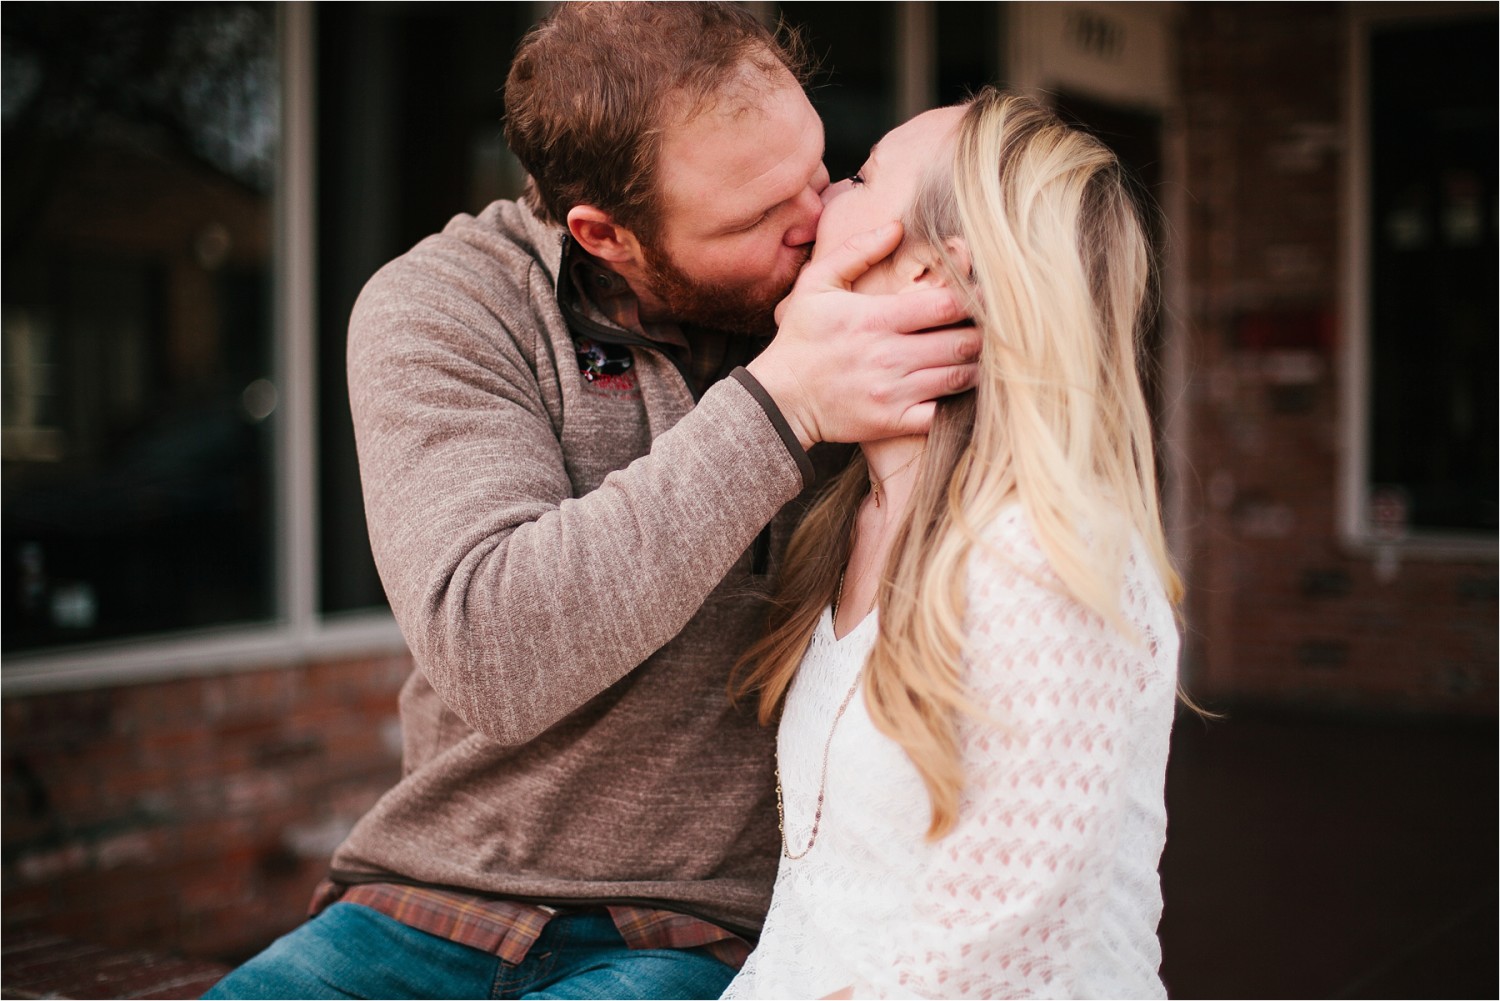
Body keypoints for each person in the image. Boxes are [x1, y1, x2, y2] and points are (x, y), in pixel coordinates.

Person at [203, 4, 978, 1000]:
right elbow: (495, 647)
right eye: (755, 217)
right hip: (431, 897)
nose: (818, 217)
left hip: (695, 931)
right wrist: (783, 402)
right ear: (605, 233)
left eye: (821, 165)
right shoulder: (448, 305)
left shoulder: (852, 299)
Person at [722, 89, 1183, 1000]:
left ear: (936, 274)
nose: (817, 203)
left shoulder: (1041, 552)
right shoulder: (838, 518)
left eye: (858, 176)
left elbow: (989, 959)